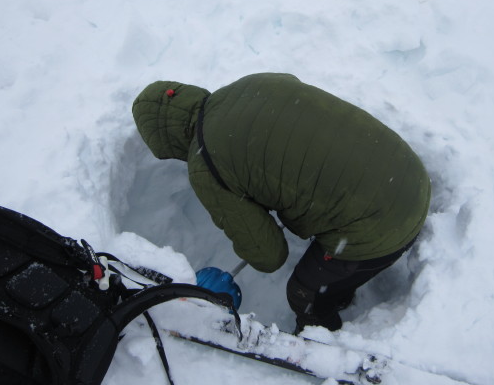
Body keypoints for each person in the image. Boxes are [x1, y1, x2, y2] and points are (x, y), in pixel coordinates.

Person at [132, 72, 431, 333]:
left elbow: (269, 255)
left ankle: (323, 342)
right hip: (406, 173)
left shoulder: (205, 162)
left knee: (305, 293)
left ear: (169, 142)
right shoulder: (248, 84)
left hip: (384, 225)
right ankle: (342, 288)